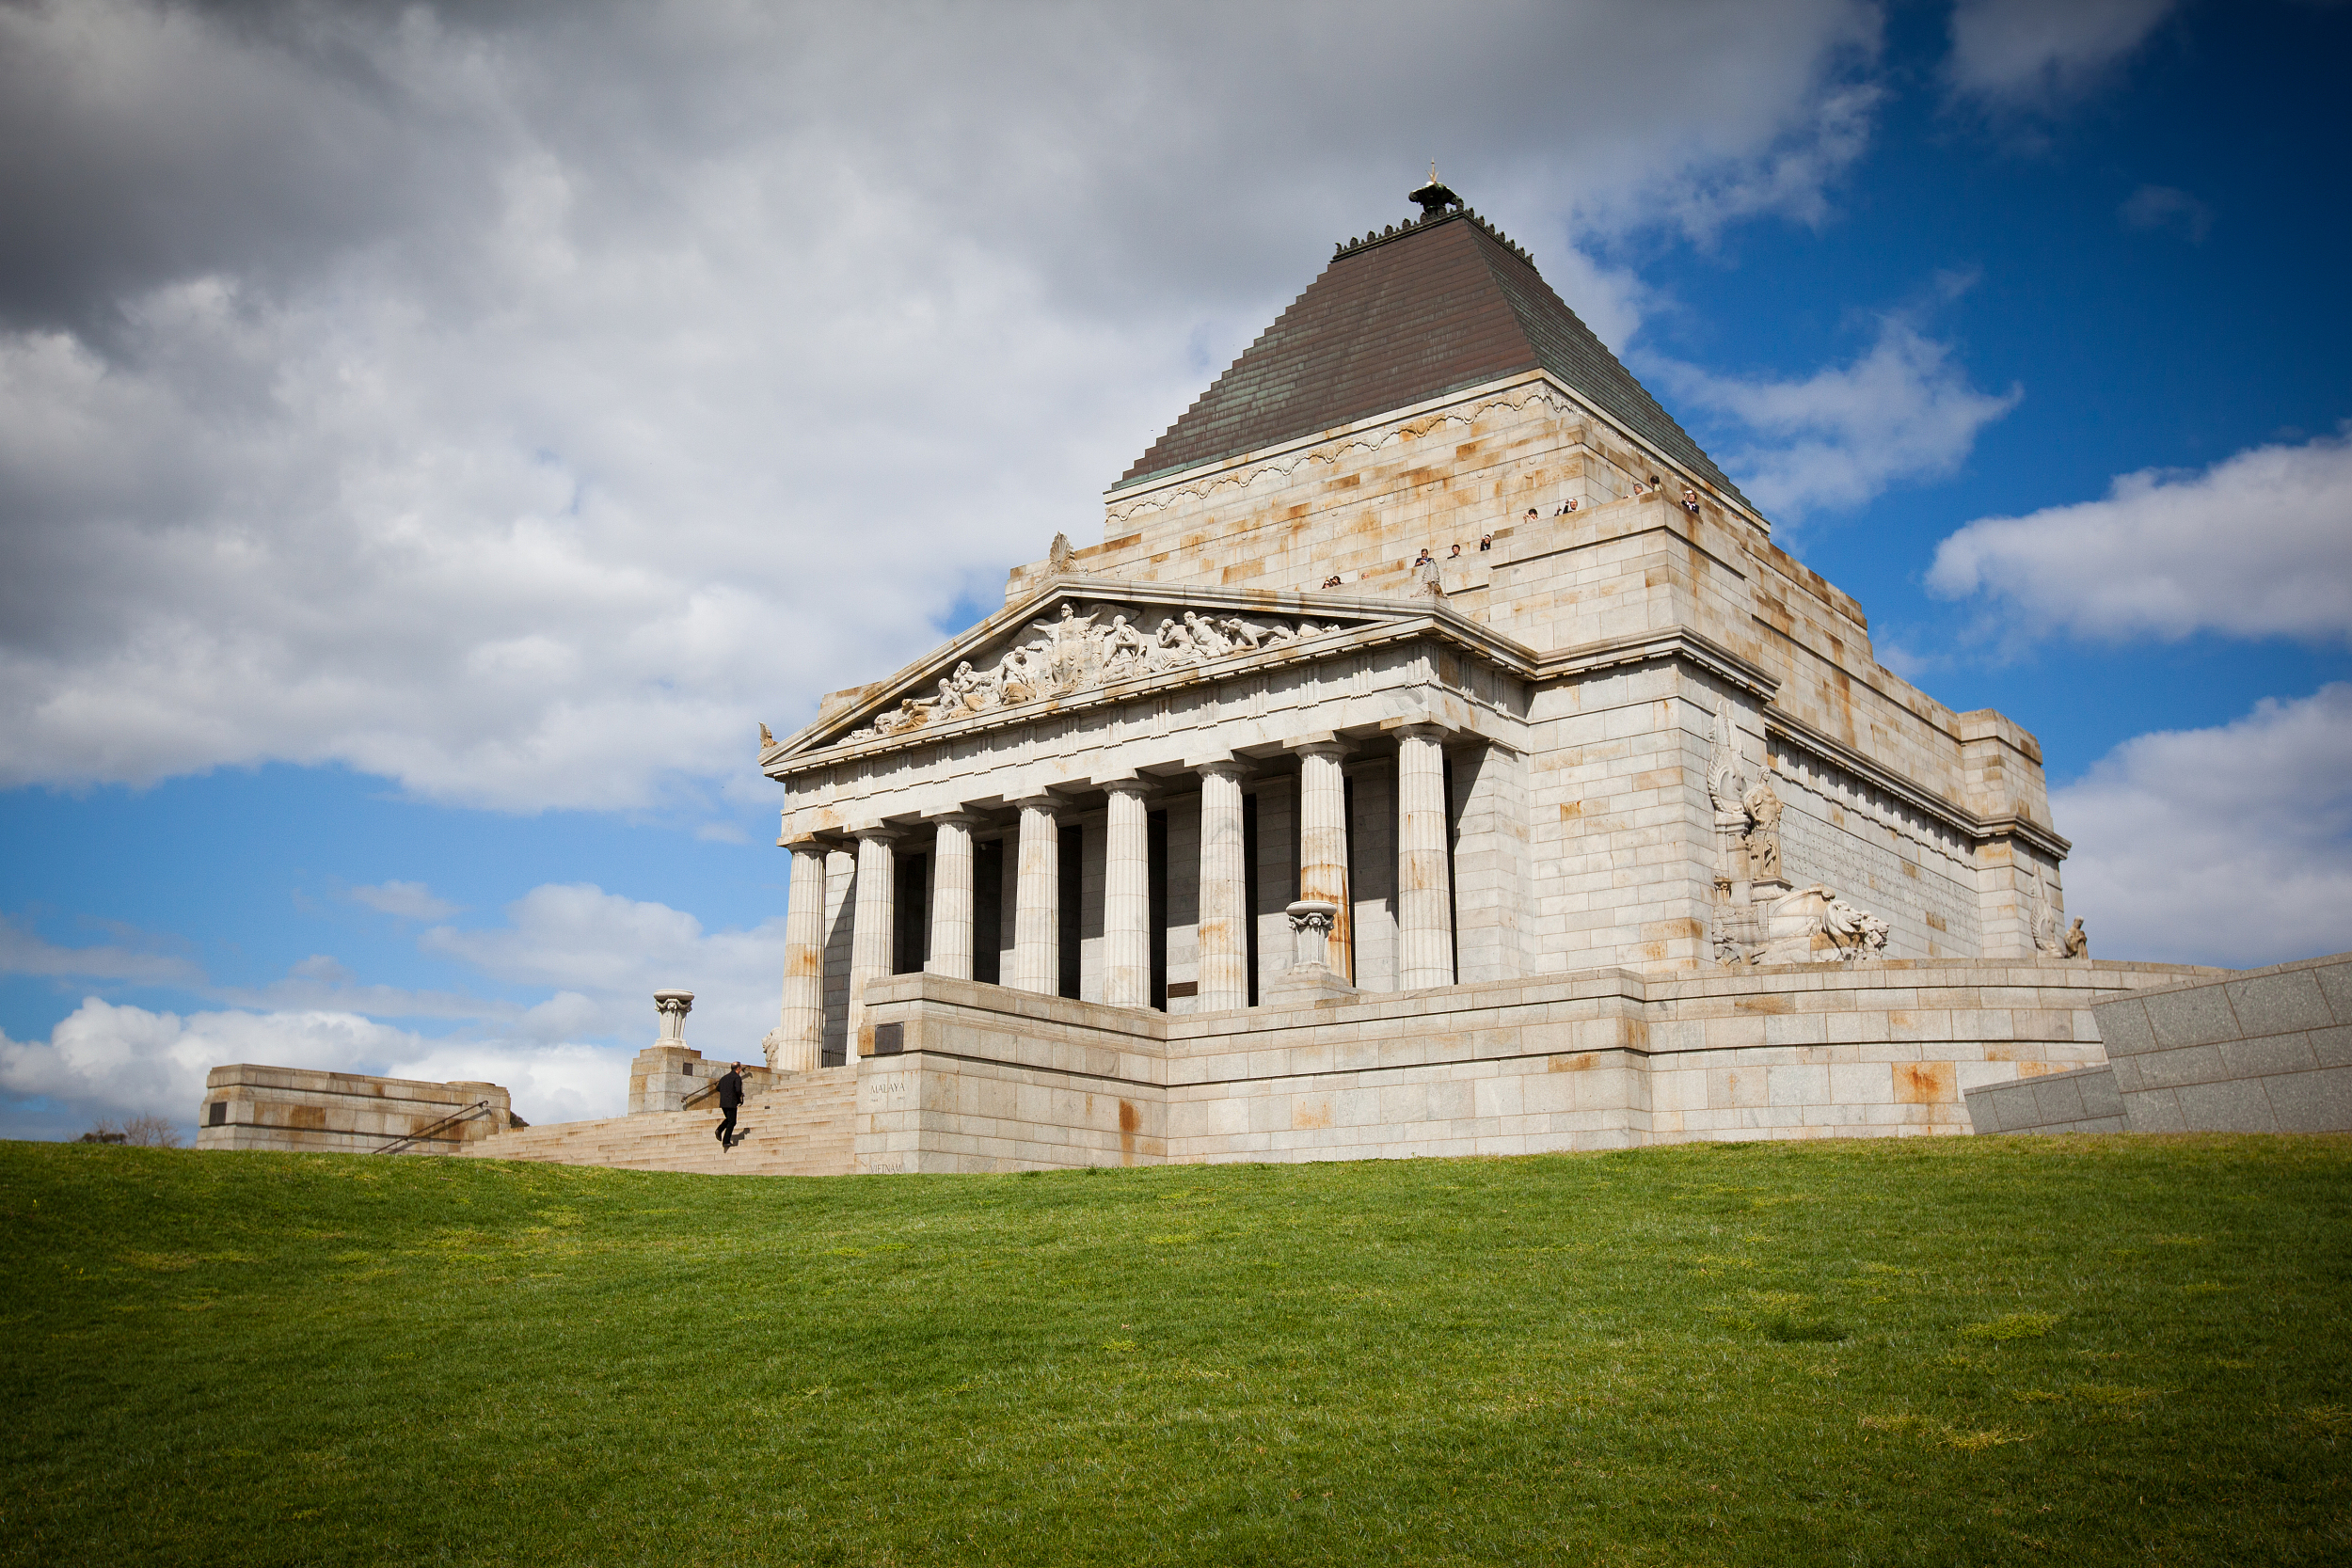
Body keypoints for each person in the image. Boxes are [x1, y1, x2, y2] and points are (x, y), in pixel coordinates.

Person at [714, 1061, 745, 1149]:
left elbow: (718, 1088)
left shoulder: (724, 1078)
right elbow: (738, 1090)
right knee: (732, 1121)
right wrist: (739, 1099)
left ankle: (719, 1130)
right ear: (738, 1068)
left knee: (729, 1119)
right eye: (740, 1068)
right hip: (731, 1102)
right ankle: (726, 1141)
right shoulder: (737, 1078)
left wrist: (726, 1092)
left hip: (723, 1102)